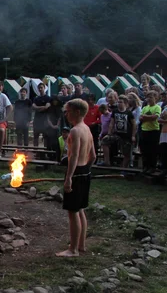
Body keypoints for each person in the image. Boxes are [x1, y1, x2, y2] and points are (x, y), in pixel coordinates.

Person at [56, 99, 95, 257]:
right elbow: (92, 156)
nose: (66, 114)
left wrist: (69, 178)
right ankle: (81, 245)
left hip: (76, 172)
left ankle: (73, 250)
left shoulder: (75, 131)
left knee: (73, 211)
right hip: (85, 171)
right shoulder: (87, 129)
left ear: (77, 112)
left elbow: (74, 157)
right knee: (80, 210)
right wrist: (87, 169)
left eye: (68, 111)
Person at [101, 95, 136, 170]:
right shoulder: (115, 111)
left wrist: (133, 136)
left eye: (121, 102)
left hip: (126, 136)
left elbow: (134, 124)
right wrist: (109, 133)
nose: (119, 104)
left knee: (126, 154)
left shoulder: (129, 113)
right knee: (104, 141)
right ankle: (107, 162)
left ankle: (123, 168)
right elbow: (112, 123)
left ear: (125, 103)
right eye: (118, 102)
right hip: (117, 134)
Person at [139, 91, 161, 174]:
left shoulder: (157, 107)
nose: (149, 99)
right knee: (145, 150)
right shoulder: (145, 108)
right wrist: (147, 117)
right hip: (144, 130)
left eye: (151, 97)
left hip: (153, 131)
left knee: (153, 150)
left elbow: (155, 117)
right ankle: (146, 166)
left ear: (155, 98)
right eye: (148, 97)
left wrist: (145, 117)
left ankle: (152, 167)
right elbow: (140, 118)